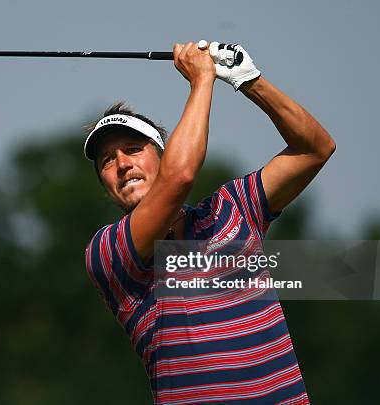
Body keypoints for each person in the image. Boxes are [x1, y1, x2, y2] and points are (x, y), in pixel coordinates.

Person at [84, 40, 335, 404]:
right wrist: (203, 80)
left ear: (162, 157)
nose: (122, 164)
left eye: (134, 149)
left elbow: (315, 149)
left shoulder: (234, 209)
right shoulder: (109, 253)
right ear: (106, 188)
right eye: (107, 160)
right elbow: (180, 176)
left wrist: (250, 81)